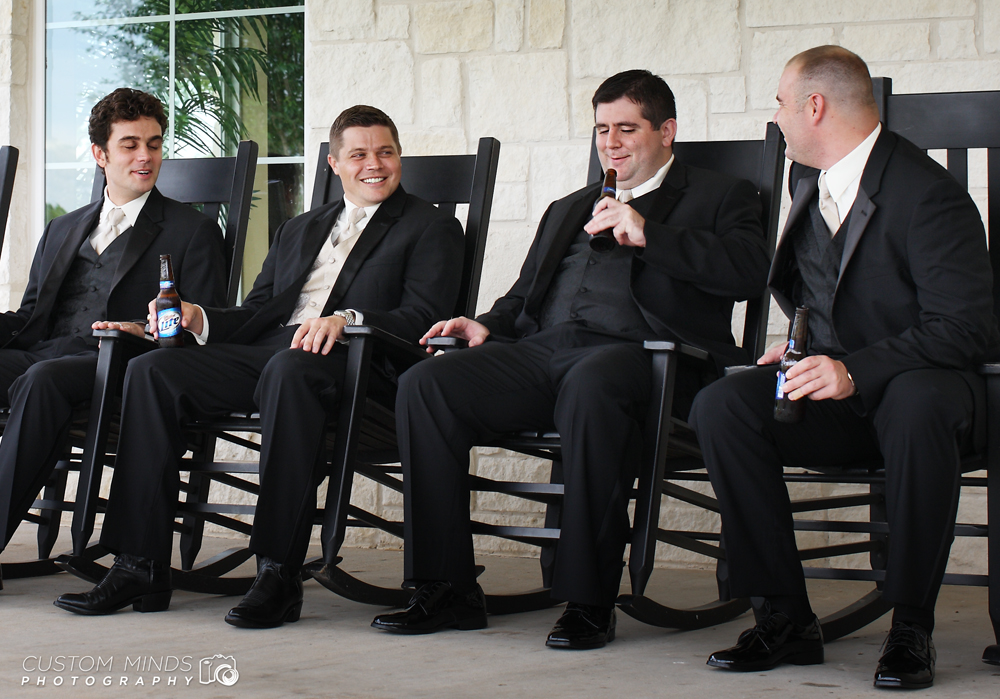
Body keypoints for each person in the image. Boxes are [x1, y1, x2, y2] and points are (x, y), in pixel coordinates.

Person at [371, 70, 770, 649]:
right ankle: (445, 585)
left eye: (627, 129)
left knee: (593, 380)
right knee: (429, 383)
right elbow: (522, 296)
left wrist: (649, 232)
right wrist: (485, 324)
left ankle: (588, 599)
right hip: (547, 350)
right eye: (603, 129)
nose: (611, 142)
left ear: (667, 131)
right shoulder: (569, 207)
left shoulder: (720, 195)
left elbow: (750, 272)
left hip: (649, 359)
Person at [53, 105, 464, 627]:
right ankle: (139, 563)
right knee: (154, 370)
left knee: (289, 371)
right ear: (335, 164)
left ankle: (277, 571)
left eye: (385, 152)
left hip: (356, 368)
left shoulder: (431, 227)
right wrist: (199, 317)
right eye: (358, 154)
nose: (374, 164)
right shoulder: (300, 228)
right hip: (272, 354)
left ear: (398, 157)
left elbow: (424, 317)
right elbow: (257, 311)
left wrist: (348, 318)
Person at [692, 46, 1000, 690]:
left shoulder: (929, 194)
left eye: (780, 102)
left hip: (930, 396)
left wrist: (853, 370)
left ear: (815, 105)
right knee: (724, 406)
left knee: (918, 405)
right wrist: (803, 347)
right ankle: (783, 617)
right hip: (848, 403)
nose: (774, 116)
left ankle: (911, 625)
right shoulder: (812, 183)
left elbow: (966, 328)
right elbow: (821, 291)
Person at [0, 88, 226, 588]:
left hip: (118, 361)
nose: (145, 156)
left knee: (43, 380)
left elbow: (206, 329)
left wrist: (145, 330)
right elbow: (32, 315)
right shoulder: (62, 227)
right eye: (129, 145)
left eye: (154, 143)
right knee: (36, 369)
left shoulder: (194, 231)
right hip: (46, 349)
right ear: (101, 155)